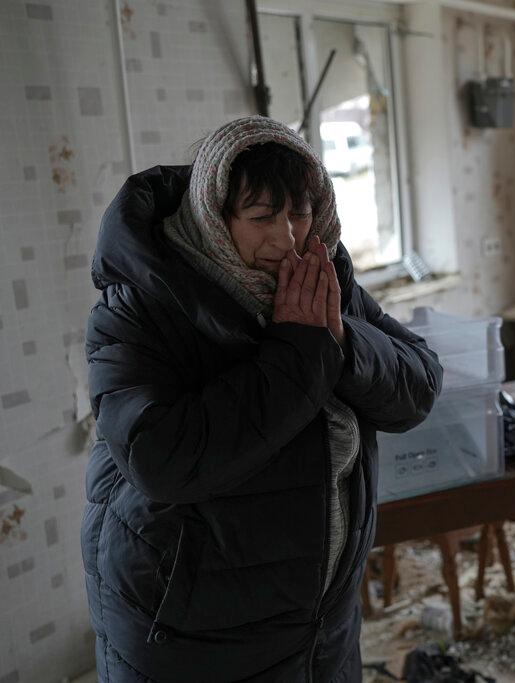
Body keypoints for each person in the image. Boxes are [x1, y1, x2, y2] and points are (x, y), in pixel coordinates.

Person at [82, 115, 443, 681]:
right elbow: (163, 459)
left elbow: (419, 385)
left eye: (299, 212)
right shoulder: (141, 305)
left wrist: (342, 342)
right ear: (213, 216)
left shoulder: (323, 275)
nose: (287, 238)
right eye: (260, 217)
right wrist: (300, 349)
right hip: (195, 631)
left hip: (319, 623)